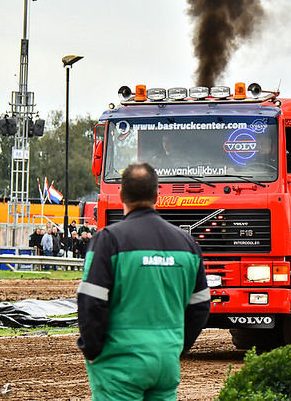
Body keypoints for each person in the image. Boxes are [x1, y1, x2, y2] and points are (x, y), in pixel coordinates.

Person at [77, 162, 210, 401]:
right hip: (166, 363)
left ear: (120, 194)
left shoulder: (108, 240)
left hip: (119, 364)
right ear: (157, 194)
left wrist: (92, 349)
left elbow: (91, 302)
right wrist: (177, 346)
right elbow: (200, 305)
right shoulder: (187, 244)